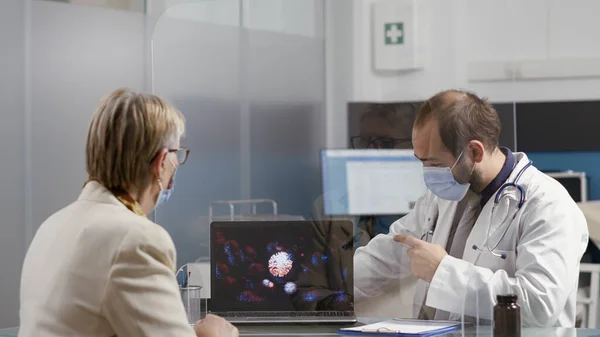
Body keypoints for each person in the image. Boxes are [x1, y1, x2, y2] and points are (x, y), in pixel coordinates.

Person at [354, 89, 589, 327]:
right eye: (422, 161)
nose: (427, 173)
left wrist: (442, 271)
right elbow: (388, 254)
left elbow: (539, 306)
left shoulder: (547, 204)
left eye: (435, 163)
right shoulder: (445, 194)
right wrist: (331, 283)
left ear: (475, 151)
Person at [19, 89, 238, 337]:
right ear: (162, 162)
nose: (176, 165)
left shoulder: (53, 225)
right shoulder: (135, 239)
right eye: (177, 154)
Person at [350, 103, 416, 241]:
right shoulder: (329, 208)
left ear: (414, 147)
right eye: (365, 141)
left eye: (385, 143)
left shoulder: (435, 207)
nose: (370, 152)